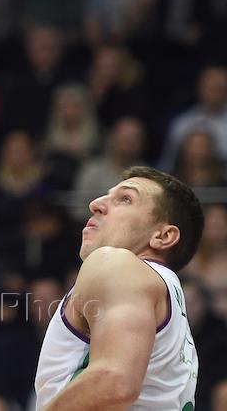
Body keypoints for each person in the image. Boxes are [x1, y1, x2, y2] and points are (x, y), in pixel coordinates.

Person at [33, 166, 202, 409]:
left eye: (125, 199)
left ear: (163, 236)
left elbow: (115, 381)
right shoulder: (169, 296)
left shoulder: (115, 263)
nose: (95, 204)